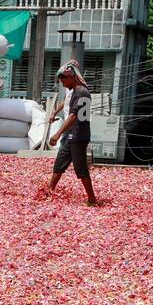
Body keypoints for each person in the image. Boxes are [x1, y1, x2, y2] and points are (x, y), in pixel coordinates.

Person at [46, 62, 97, 206]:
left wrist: (57, 133)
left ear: (72, 77)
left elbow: (74, 116)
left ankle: (92, 198)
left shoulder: (82, 92)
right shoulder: (74, 90)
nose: (62, 84)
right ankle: (50, 190)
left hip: (78, 135)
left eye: (64, 81)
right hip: (70, 135)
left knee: (80, 168)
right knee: (60, 163)